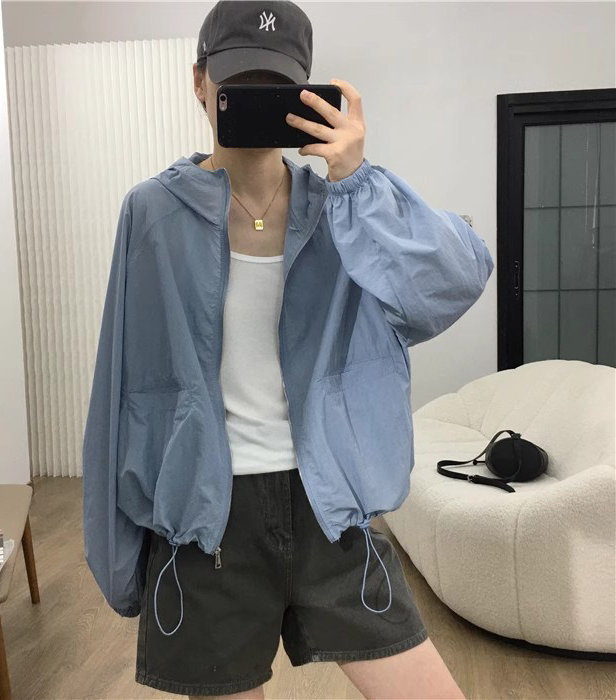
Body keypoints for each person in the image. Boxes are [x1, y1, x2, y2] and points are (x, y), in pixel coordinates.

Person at [83, 1, 493, 698]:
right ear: (199, 82)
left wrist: (357, 176)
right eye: (238, 85)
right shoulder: (152, 212)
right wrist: (118, 556)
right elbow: (119, 383)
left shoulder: (344, 205)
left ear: (305, 94)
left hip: (330, 506)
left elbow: (454, 282)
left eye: (274, 90)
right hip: (206, 524)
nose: (254, 104)